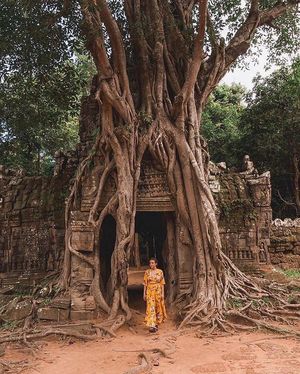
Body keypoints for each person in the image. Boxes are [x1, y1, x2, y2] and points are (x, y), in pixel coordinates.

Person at [143, 257, 167, 333]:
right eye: (150, 263)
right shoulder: (147, 272)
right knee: (151, 307)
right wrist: (144, 293)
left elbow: (162, 283)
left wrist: (163, 294)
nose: (151, 264)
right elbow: (145, 283)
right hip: (150, 291)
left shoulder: (160, 272)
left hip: (158, 291)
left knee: (158, 307)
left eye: (153, 263)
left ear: (156, 263)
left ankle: (156, 323)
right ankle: (152, 325)